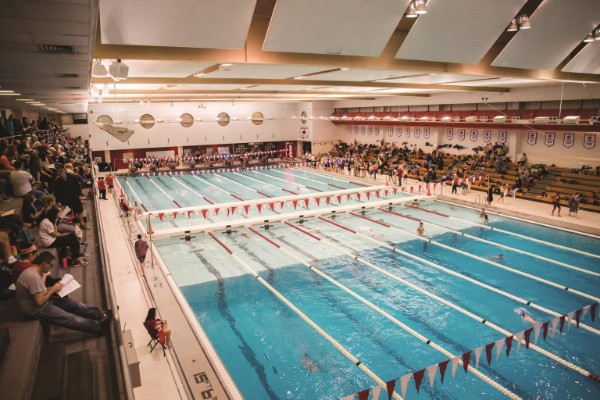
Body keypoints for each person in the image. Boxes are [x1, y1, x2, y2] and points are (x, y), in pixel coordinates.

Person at [15, 251, 111, 334]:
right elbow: (39, 301)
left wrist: (54, 288)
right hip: (35, 310)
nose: (51, 268)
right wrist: (53, 289)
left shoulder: (34, 272)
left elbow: (40, 290)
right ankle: (98, 328)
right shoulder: (33, 277)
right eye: (51, 266)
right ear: (44, 263)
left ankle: (100, 314)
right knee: (69, 318)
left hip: (41, 302)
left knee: (72, 304)